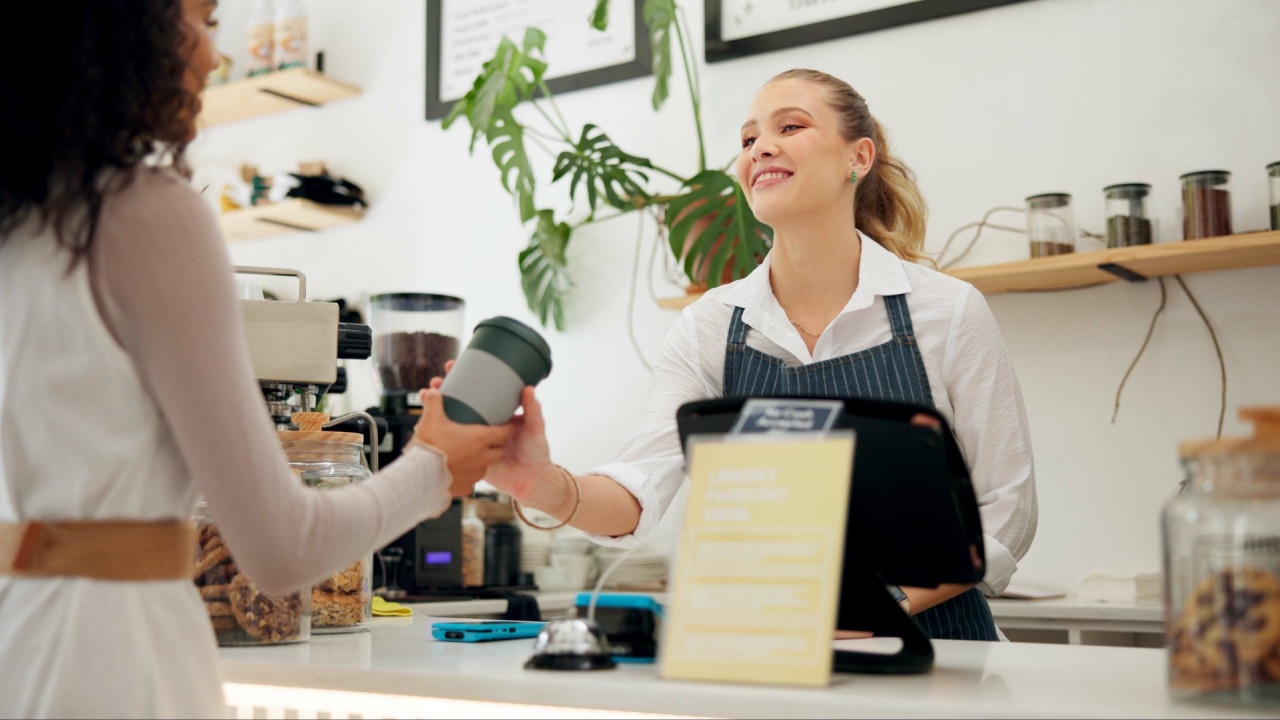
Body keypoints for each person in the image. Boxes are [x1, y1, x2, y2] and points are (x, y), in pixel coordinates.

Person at [0, 2, 513, 716]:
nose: (215, 56)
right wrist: (432, 468)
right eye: (204, 20)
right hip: (124, 663)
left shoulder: (22, 225)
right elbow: (281, 548)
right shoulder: (147, 213)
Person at [478, 69, 1037, 641]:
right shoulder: (709, 327)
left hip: (946, 653)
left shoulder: (946, 311)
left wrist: (881, 609)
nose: (760, 147)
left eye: (790, 127)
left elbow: (1006, 507)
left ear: (859, 157)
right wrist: (545, 485)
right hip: (778, 652)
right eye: (748, 139)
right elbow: (639, 487)